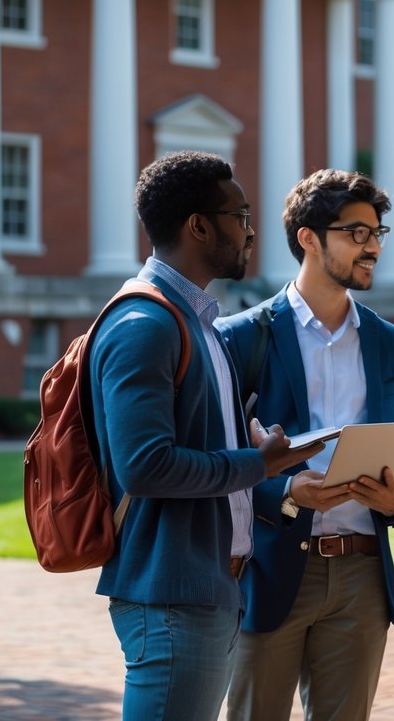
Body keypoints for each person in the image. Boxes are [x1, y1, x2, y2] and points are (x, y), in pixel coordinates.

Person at [90, 150, 322, 720]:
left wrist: (250, 442)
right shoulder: (145, 324)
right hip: (171, 594)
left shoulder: (201, 324)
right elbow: (144, 466)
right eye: (240, 215)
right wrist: (257, 464)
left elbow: (194, 440)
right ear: (198, 224)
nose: (250, 232)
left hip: (208, 588)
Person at [217, 169, 394, 720]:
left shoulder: (390, 343)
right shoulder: (240, 337)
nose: (374, 246)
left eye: (378, 233)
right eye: (357, 233)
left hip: (362, 574)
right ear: (309, 237)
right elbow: (220, 463)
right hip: (270, 568)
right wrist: (287, 495)